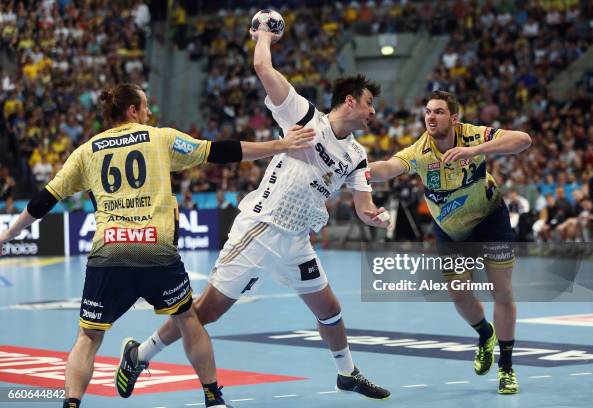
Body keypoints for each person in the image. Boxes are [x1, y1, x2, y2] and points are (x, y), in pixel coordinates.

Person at [0, 83, 315, 408]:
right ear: (133, 111)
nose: (150, 112)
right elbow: (220, 151)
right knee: (188, 320)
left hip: (109, 254)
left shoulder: (86, 152)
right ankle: (213, 398)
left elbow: (43, 200)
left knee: (89, 336)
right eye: (146, 106)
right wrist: (280, 144)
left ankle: (71, 404)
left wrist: (5, 236)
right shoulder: (159, 138)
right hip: (157, 253)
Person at [121, 28, 392, 401]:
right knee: (207, 311)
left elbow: (363, 205)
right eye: (369, 104)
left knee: (329, 307)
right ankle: (139, 354)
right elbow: (262, 66)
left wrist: (375, 216)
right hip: (260, 229)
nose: (373, 112)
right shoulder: (305, 116)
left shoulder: (357, 155)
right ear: (350, 101)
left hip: (297, 240)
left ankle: (347, 374)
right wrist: (264, 33)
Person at [369, 90, 531, 394]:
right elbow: (388, 168)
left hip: (489, 220)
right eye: (428, 111)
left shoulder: (473, 135)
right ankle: (485, 335)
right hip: (451, 230)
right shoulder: (420, 151)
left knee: (502, 292)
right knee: (458, 295)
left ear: (454, 119)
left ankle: (507, 367)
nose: (431, 117)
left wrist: (475, 152)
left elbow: (523, 139)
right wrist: (358, 171)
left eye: (439, 112)